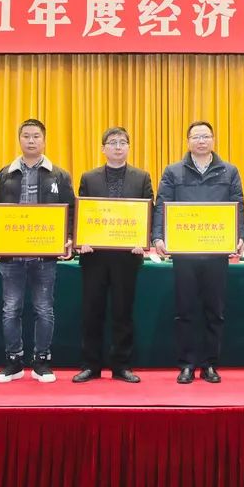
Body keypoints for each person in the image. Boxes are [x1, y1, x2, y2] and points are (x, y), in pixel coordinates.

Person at [152, 120, 244, 385]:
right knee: (185, 310)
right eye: (196, 137)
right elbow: (162, 204)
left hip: (216, 252)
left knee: (214, 311)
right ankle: (187, 364)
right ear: (188, 141)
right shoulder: (173, 171)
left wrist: (239, 235)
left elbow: (237, 205)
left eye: (206, 136)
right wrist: (158, 236)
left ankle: (210, 364)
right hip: (185, 254)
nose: (201, 141)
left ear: (213, 140)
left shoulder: (229, 171)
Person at [0, 118, 75, 384]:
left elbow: (71, 212)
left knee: (44, 309)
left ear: (44, 140)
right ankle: (13, 361)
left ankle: (41, 361)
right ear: (19, 139)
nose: (31, 140)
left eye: (36, 136)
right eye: (26, 136)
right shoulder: (4, 174)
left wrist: (68, 238)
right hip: (11, 256)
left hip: (45, 256)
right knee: (10, 309)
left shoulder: (59, 175)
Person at [73, 127, 154, 385]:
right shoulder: (89, 177)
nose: (118, 147)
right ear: (103, 148)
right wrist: (81, 239)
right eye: (112, 142)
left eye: (122, 142)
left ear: (129, 147)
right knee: (92, 312)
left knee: (123, 313)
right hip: (94, 256)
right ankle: (91, 366)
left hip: (127, 257)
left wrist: (143, 240)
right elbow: (82, 214)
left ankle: (121, 366)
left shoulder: (142, 177)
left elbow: (149, 213)